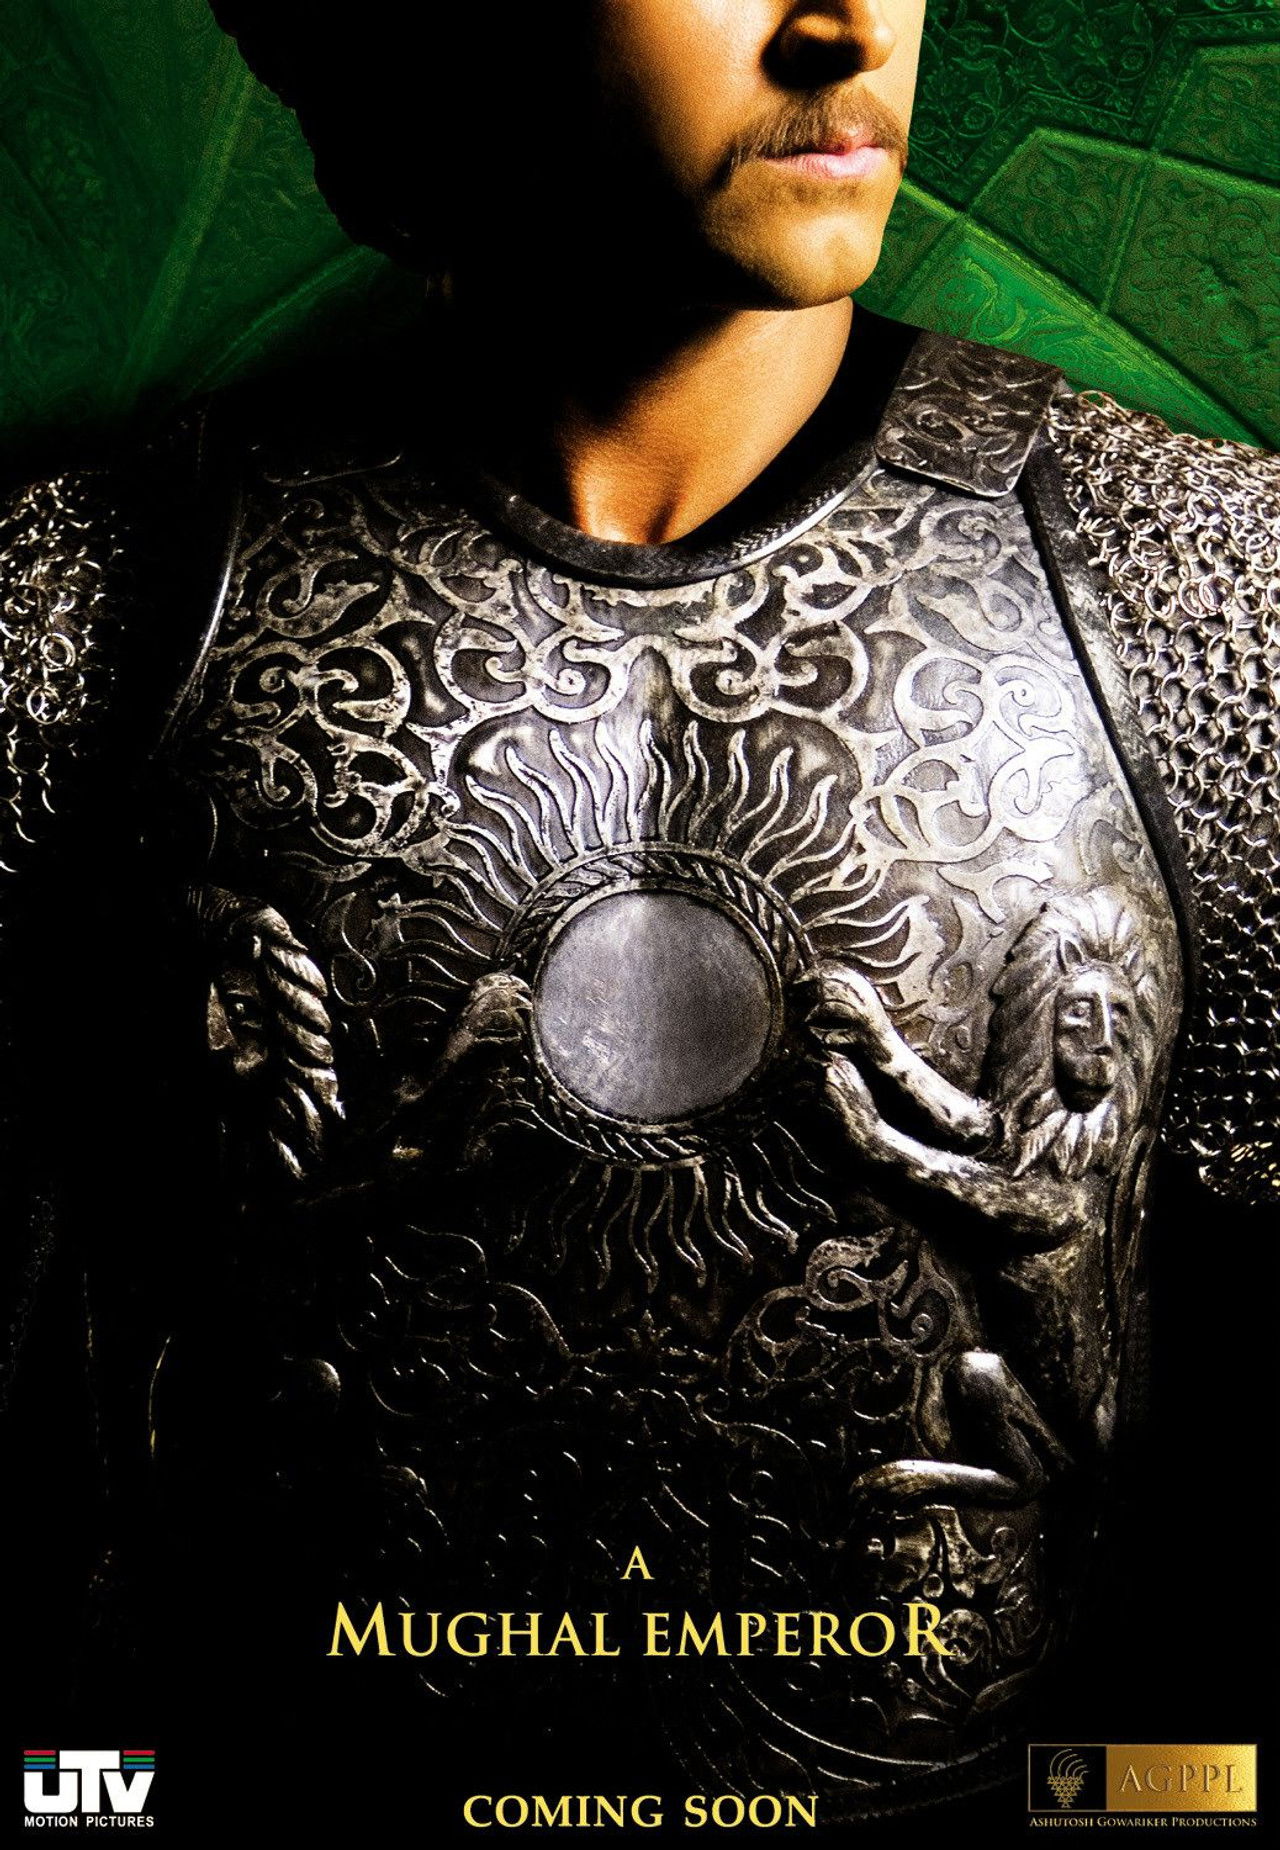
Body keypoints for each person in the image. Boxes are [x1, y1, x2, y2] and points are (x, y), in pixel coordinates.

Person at [3, 0, 1275, 1832]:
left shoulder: (1193, 601)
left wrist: (1161, 1804)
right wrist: (93, 1806)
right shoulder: (95, 614)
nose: (843, 25)